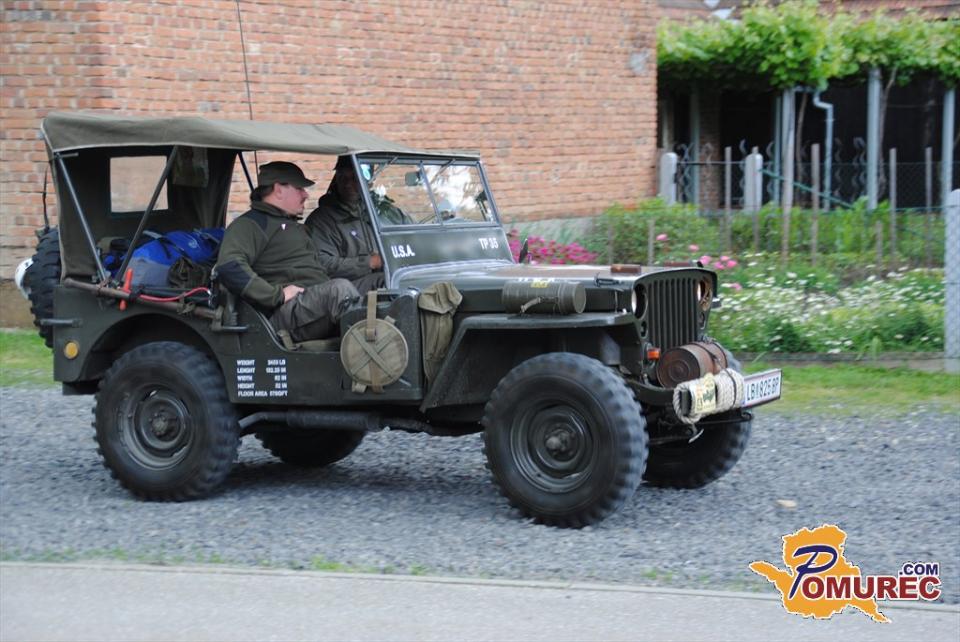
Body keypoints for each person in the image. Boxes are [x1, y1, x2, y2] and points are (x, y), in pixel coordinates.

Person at [215, 161, 359, 342]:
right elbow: (229, 267)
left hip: (315, 302)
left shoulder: (291, 225)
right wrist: (277, 295)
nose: (306, 194)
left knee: (379, 283)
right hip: (283, 314)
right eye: (299, 188)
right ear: (279, 190)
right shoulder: (251, 225)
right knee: (340, 290)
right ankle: (373, 353)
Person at [305, 156, 385, 294]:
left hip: (390, 278)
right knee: (384, 281)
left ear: (369, 182)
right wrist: (369, 262)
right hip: (343, 290)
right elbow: (321, 264)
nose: (348, 184)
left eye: (355, 178)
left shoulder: (385, 212)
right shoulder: (322, 220)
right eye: (343, 178)